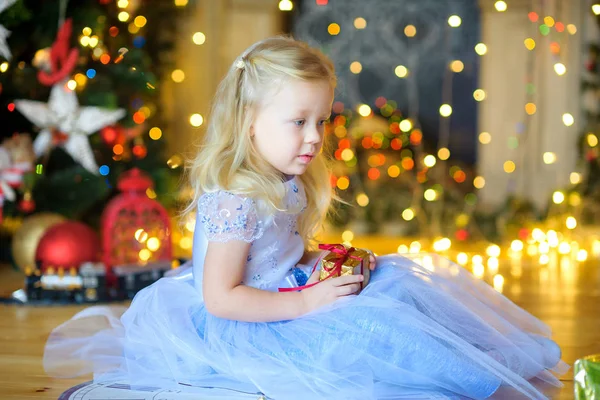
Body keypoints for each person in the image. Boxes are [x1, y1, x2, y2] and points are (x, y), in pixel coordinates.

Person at [44, 36, 568, 400]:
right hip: (247, 319)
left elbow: (285, 251)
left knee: (400, 284)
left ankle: (492, 359)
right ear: (249, 124)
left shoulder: (285, 178)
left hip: (288, 290)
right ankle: (467, 376)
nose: (315, 136)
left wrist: (332, 261)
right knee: (367, 332)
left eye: (322, 120)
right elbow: (221, 298)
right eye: (299, 122)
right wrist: (307, 301)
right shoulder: (234, 198)